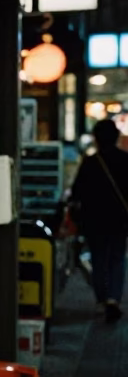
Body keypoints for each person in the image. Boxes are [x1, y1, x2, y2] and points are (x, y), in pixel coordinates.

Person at [71, 118, 128, 322]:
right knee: (117, 257)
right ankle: (114, 298)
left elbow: (77, 192)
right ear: (116, 137)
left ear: (96, 138)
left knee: (99, 258)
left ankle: (101, 299)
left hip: (95, 220)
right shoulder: (125, 160)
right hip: (120, 218)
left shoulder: (91, 162)